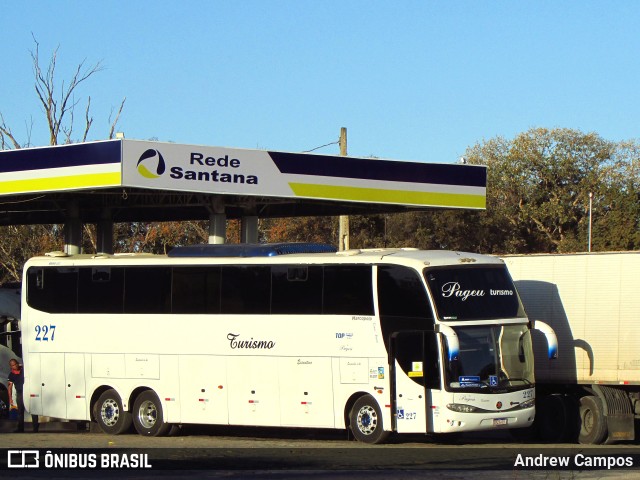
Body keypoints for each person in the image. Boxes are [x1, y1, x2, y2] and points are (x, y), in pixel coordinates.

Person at [7, 359, 39, 433]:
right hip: (20, 393)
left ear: (18, 363)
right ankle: (20, 428)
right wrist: (10, 398)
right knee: (20, 411)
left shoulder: (24, 370)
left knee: (32, 409)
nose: (15, 366)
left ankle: (35, 428)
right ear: (11, 366)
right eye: (13, 365)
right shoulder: (11, 375)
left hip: (28, 391)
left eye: (15, 364)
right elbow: (9, 387)